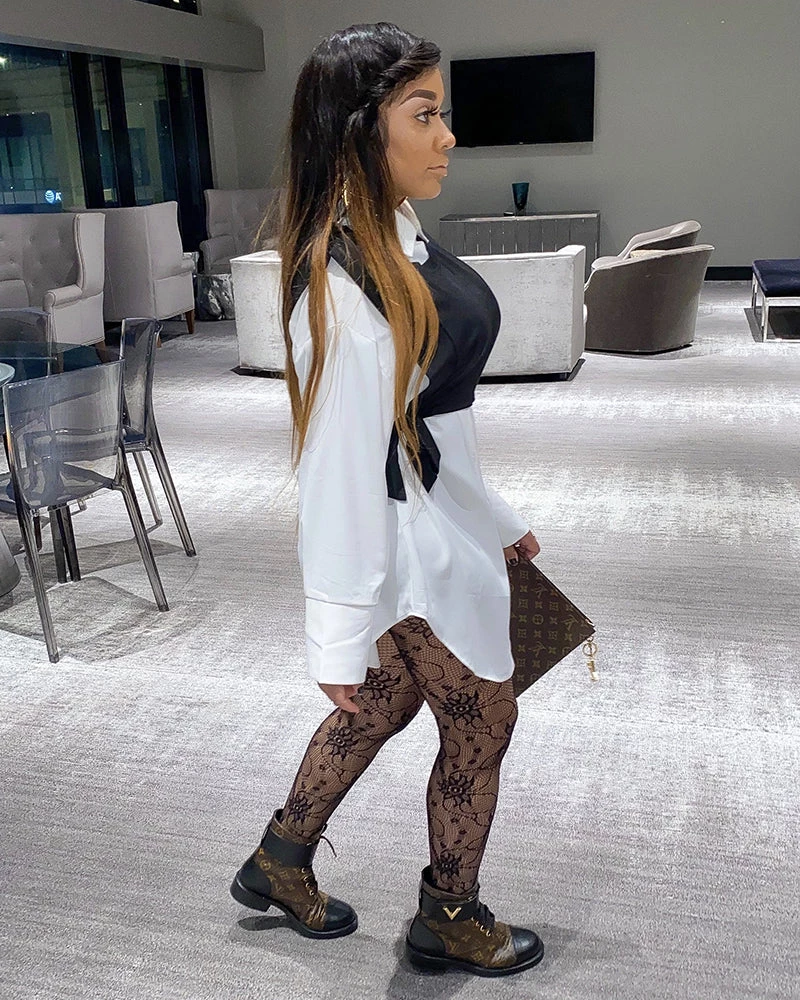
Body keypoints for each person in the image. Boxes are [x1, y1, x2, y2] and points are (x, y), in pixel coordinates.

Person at [231, 22, 543, 977]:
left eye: (442, 112)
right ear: (361, 130)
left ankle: (280, 860)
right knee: (484, 717)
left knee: (385, 703)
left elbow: (430, 420)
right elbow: (334, 470)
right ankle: (449, 913)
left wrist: (495, 519)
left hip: (442, 516)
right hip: (405, 545)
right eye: (424, 114)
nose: (447, 136)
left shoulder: (395, 233)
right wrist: (334, 632)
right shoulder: (341, 285)